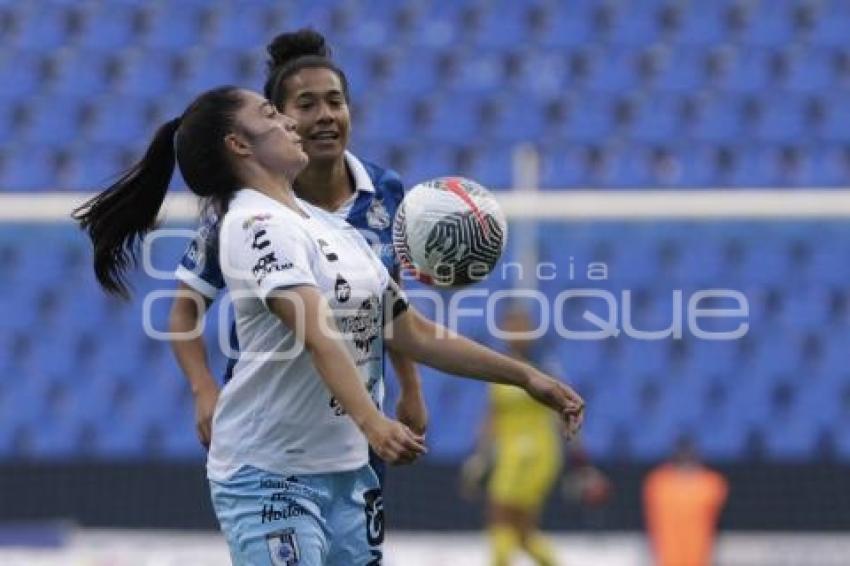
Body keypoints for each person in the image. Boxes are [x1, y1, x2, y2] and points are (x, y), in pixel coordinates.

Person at [72, 85, 585, 565]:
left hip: (348, 477)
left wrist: (525, 376)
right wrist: (372, 420)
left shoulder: (332, 228)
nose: (290, 124)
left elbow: (411, 331)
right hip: (270, 477)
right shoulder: (255, 227)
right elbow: (317, 334)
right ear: (239, 144)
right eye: (271, 115)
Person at [169, 30, 427, 467]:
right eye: (306, 105)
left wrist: (410, 387)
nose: (325, 116)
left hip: (357, 426)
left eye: (335, 102)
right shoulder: (248, 213)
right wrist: (203, 388)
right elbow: (183, 311)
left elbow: (389, 301)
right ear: (282, 119)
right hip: (274, 432)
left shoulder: (384, 191)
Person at [461, 306, 609, 566]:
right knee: (522, 531)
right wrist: (480, 457)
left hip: (538, 455)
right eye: (509, 326)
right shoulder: (498, 370)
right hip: (509, 456)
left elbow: (567, 413)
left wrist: (582, 464)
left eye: (519, 326)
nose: (513, 333)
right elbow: (491, 418)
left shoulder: (545, 370)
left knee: (500, 518)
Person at [643, 437, 728, 566]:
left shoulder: (711, 483)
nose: (686, 460)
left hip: (700, 555)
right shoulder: (659, 482)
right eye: (682, 456)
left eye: (689, 456)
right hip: (667, 557)